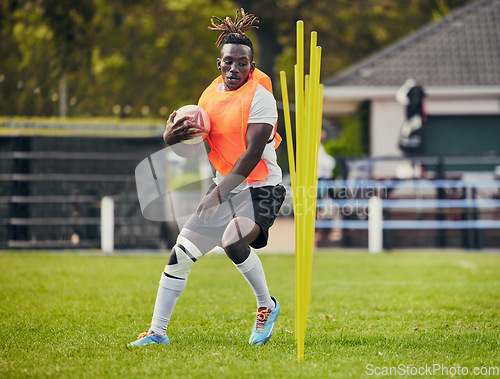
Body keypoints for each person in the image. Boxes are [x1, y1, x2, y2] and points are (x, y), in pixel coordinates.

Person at [128, 9, 286, 347]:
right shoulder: (207, 98)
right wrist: (171, 140)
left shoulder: (261, 96)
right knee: (180, 254)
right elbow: (195, 150)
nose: (235, 69)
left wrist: (215, 195)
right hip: (226, 185)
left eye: (242, 63)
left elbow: (253, 153)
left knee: (233, 239)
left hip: (262, 187)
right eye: (229, 62)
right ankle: (157, 333)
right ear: (219, 63)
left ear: (251, 66)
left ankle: (266, 306)